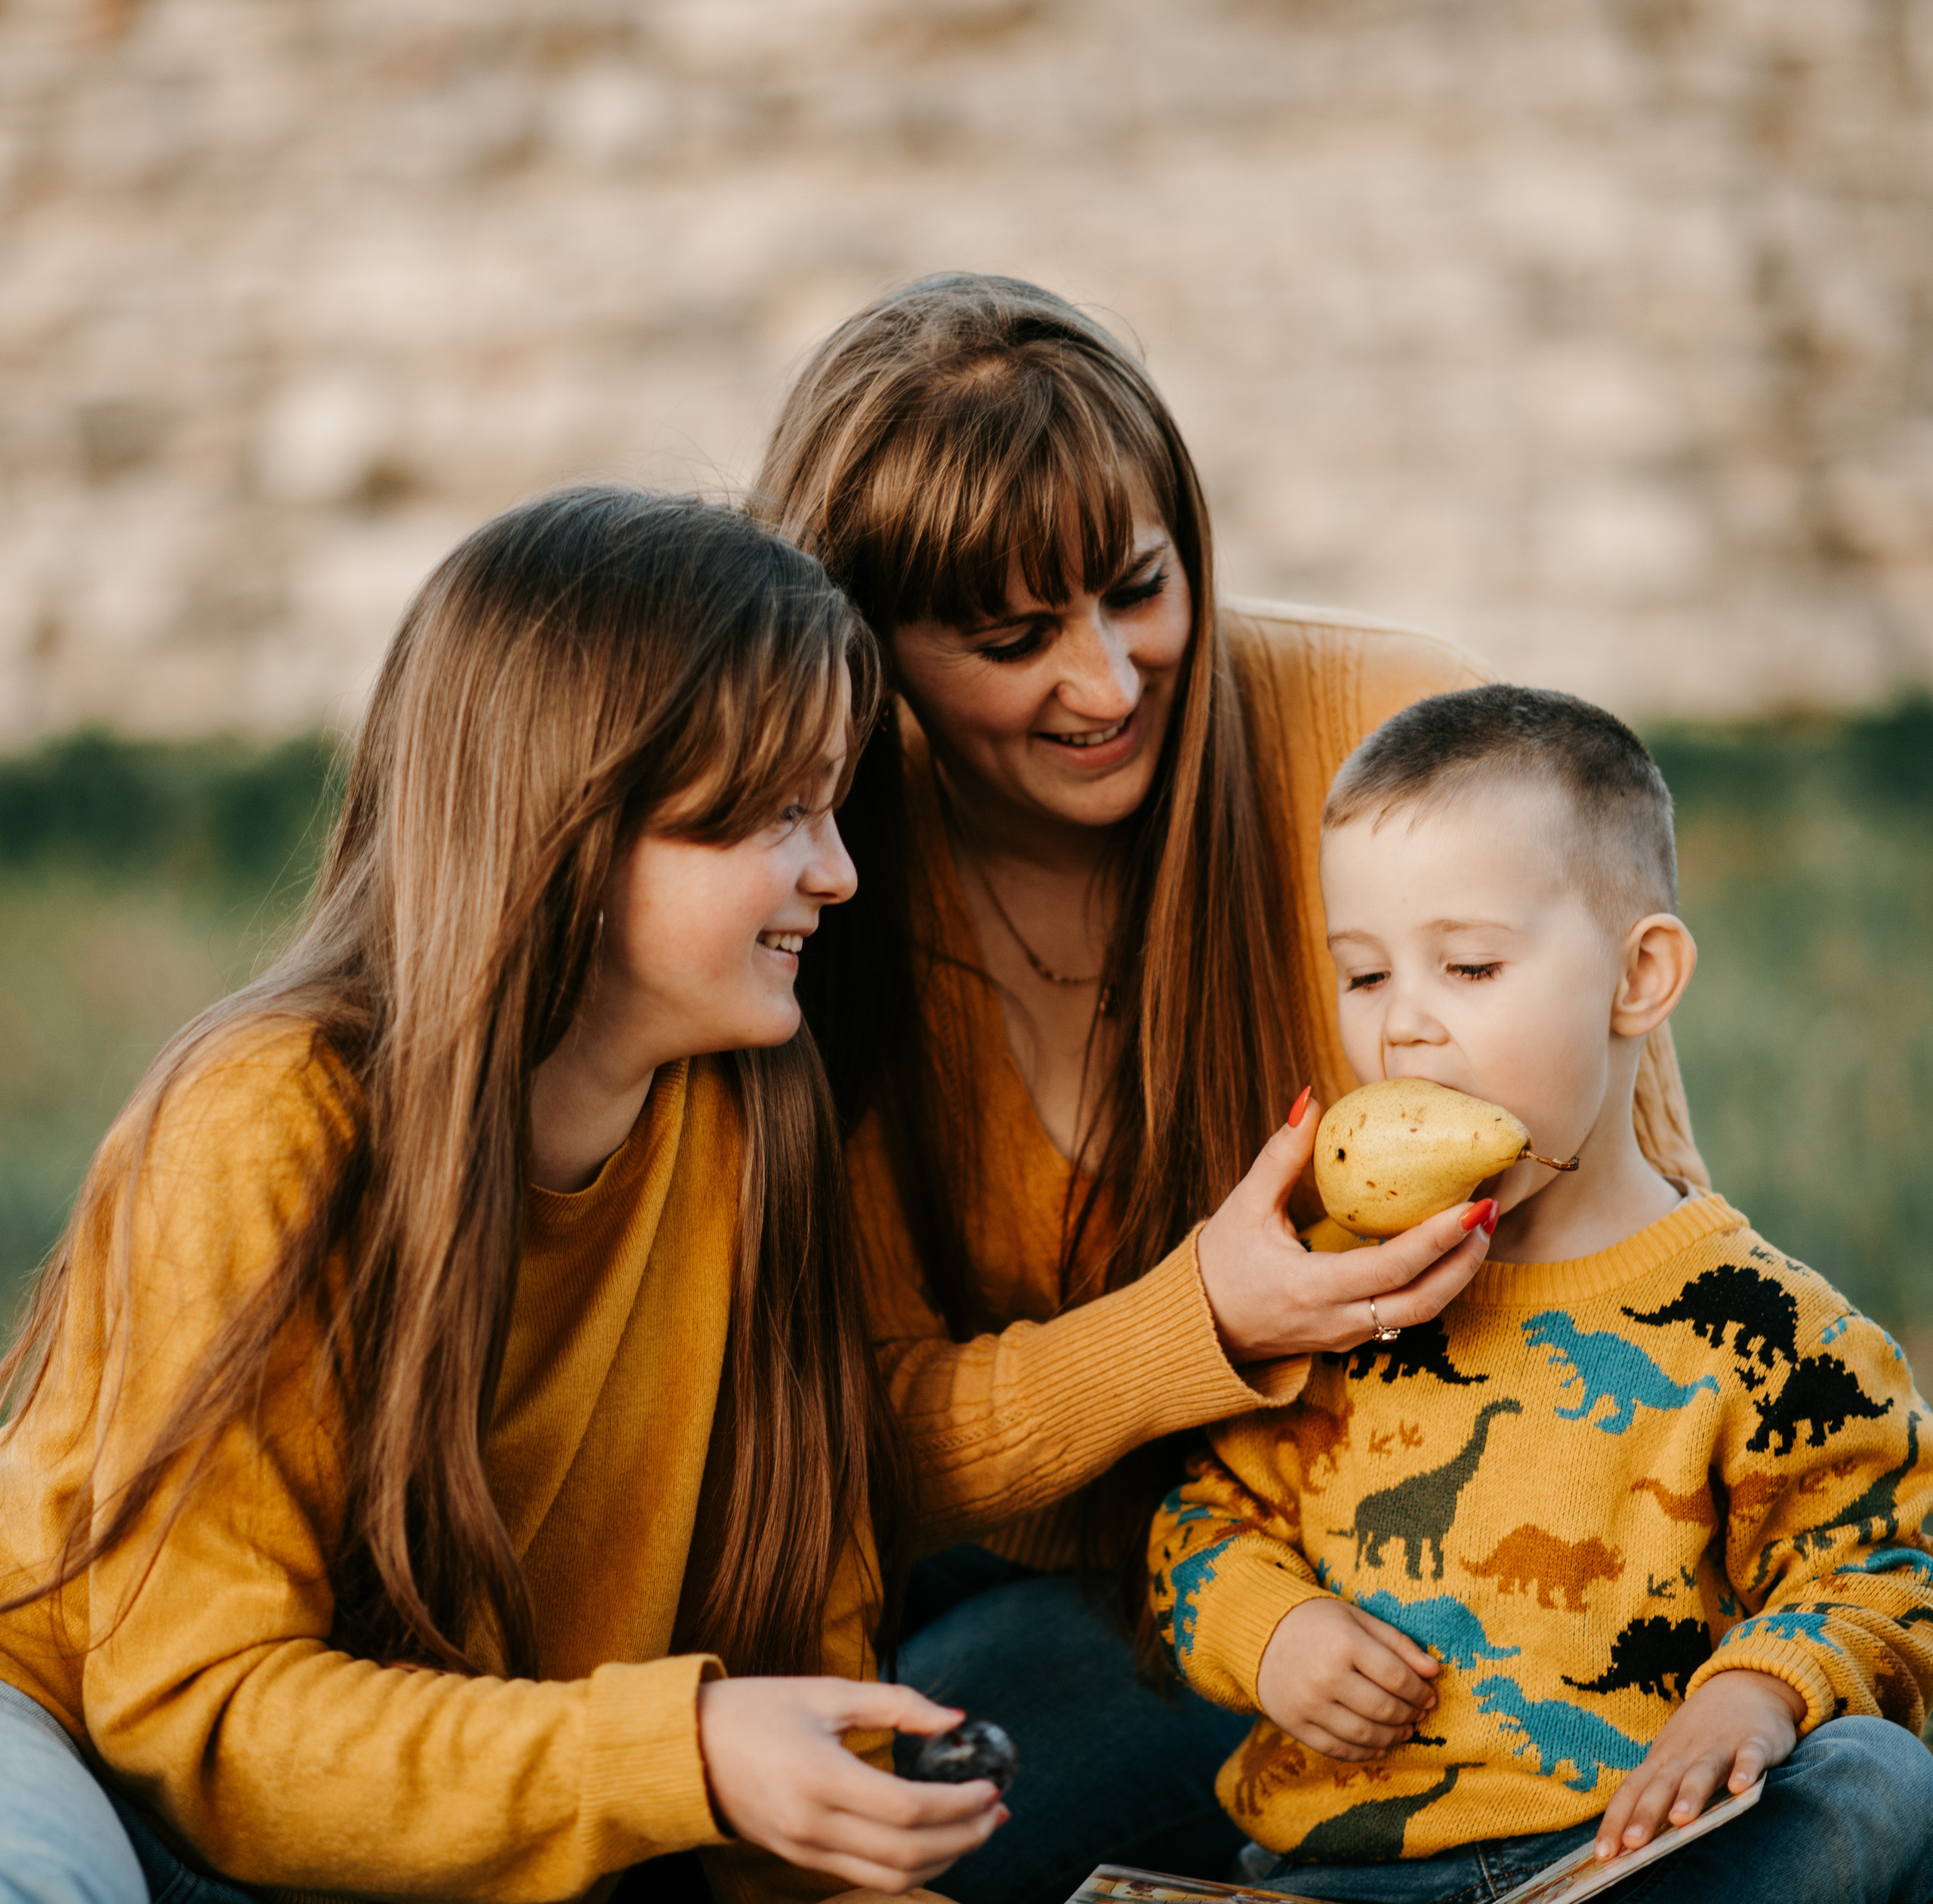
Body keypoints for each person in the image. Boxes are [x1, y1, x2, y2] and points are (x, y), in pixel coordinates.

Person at [756, 273, 1709, 1904]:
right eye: (1009, 638)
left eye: (1137, 588)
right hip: (1082, 1611)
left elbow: (1652, 1206)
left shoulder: (1387, 727)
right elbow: (852, 1444)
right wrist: (1198, 1320)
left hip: (1475, 1551)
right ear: (863, 652)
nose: (1110, 680)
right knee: (927, 1765)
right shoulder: (814, 894)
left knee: (1847, 1785)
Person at [0, 488, 1008, 1904]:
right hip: (98, 1759)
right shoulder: (265, 1118)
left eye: (830, 807)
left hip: (450, 1808)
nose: (837, 872)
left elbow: (805, 1650)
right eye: (779, 814)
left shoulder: (749, 1118)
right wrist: (688, 1748)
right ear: (577, 828)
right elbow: (200, 1717)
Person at [1149, 684, 1933, 1903]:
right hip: (1341, 1878)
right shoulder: (1335, 1288)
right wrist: (1272, 1629)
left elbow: (1890, 1569)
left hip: (1620, 1868)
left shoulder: (1774, 1331)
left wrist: (1758, 1689)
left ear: (1639, 980)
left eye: (1468, 965)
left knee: (1880, 1786)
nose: (1405, 1025)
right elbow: (1200, 1525)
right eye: (1363, 977)